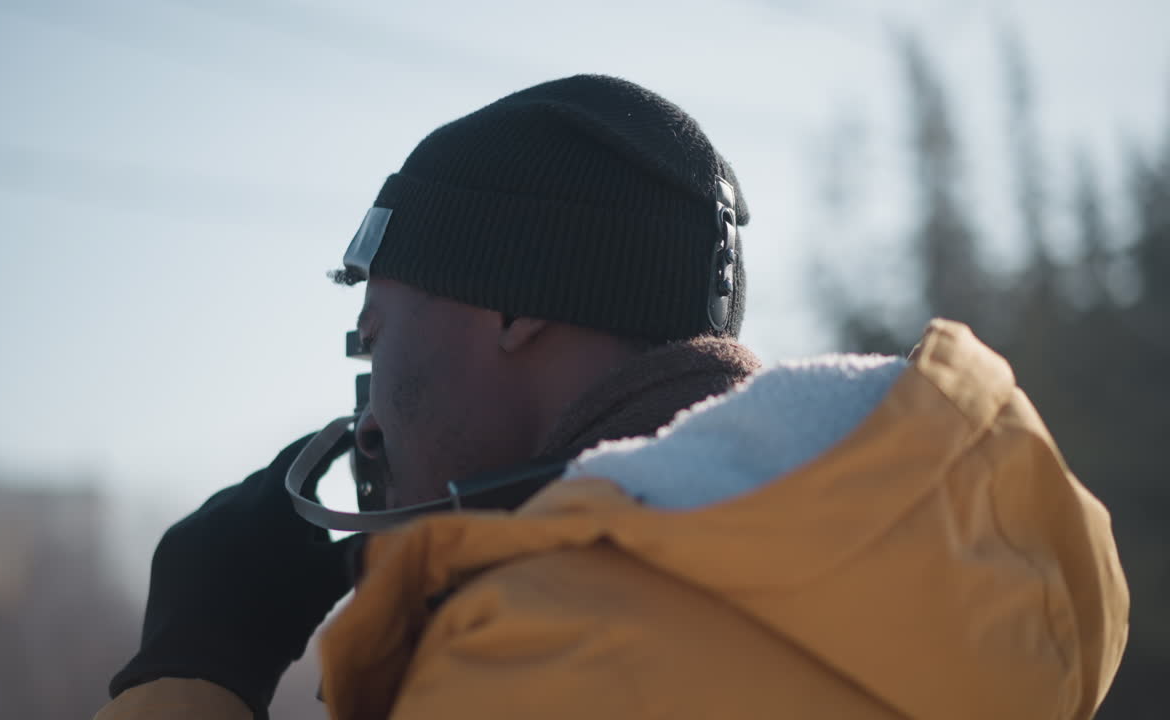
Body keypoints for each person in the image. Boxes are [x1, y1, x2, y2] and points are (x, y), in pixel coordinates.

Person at [97, 76, 1128, 720]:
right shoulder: (972, 578)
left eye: (375, 336)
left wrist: (192, 671)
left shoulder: (542, 655)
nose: (368, 417)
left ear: (510, 305)